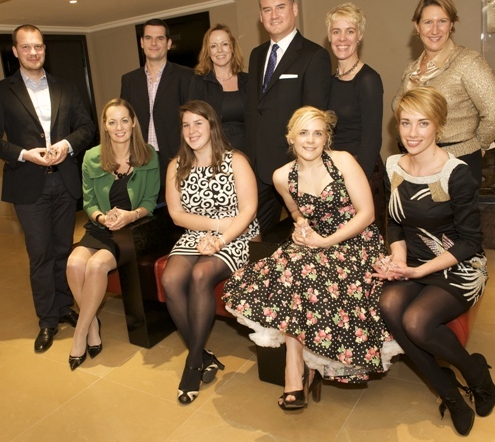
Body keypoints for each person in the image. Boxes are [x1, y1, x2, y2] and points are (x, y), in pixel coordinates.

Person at [223, 106, 399, 411]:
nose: (311, 140)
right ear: (290, 137)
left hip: (357, 242)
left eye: (318, 133)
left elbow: (367, 214)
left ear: (326, 137)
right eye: (303, 133)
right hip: (316, 244)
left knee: (302, 271)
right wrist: (302, 225)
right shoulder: (282, 176)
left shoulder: (342, 161)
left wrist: (325, 241)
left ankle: (296, 374)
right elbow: (295, 210)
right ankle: (299, 368)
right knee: (288, 270)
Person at [374, 87, 495, 436]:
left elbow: (471, 242)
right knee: (388, 305)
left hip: (459, 266)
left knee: (416, 322)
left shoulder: (456, 174)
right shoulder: (394, 166)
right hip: (413, 260)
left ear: (439, 126)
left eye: (423, 123)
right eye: (405, 123)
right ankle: (450, 394)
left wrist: (418, 270)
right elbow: (395, 222)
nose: (412, 133)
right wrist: (398, 260)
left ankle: (476, 375)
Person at [0, 24, 96, 353]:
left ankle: (64, 306)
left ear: (45, 49)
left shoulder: (66, 87)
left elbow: (86, 127)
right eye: (26, 47)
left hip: (64, 180)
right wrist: (23, 153)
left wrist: (66, 145)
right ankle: (47, 320)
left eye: (39, 46)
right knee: (40, 254)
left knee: (63, 250)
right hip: (28, 184)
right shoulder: (1, 91)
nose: (33, 52)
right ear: (15, 51)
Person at [161, 100, 260, 405]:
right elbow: (177, 215)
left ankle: (193, 364)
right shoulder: (176, 166)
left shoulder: (235, 160)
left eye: (198, 123)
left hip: (238, 233)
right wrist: (214, 227)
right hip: (198, 232)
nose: (192, 131)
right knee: (170, 279)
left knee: (201, 273)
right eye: (186, 125)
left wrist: (221, 239)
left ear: (212, 125)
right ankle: (203, 355)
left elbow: (248, 210)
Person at [66, 98, 159, 370]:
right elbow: (88, 202)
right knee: (73, 264)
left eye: (124, 120)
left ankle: (80, 333)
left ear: (133, 123)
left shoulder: (149, 155)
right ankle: (92, 325)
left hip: (131, 232)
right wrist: (101, 217)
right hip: (101, 227)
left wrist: (130, 215)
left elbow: (150, 202)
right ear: (105, 126)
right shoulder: (92, 157)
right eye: (112, 122)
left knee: (96, 266)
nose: (119, 127)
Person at [392, 0, 495, 185]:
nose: (435, 29)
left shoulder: (468, 62)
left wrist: (475, 146)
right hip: (417, 164)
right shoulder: (411, 70)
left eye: (442, 21)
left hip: (457, 164)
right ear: (417, 26)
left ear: (451, 25)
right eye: (428, 22)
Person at [248, 0, 331, 232]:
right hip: (258, 169)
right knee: (258, 241)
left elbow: (313, 119)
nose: (274, 15)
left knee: (309, 235)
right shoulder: (256, 55)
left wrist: (299, 164)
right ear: (261, 16)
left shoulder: (314, 55)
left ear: (294, 9)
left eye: (280, 7)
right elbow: (255, 109)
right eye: (267, 9)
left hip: (294, 166)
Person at [325, 2, 385, 234]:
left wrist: (353, 185)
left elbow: (372, 138)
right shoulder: (328, 82)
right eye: (336, 31)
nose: (342, 38)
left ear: (359, 36)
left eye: (349, 31)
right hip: (333, 173)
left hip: (362, 172)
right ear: (329, 36)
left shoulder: (368, 80)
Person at [120, 18, 193, 191]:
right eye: (148, 38)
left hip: (178, 158)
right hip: (140, 160)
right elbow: (124, 120)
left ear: (168, 44)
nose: (153, 43)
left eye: (160, 38)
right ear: (142, 43)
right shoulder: (129, 80)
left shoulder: (187, 76)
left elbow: (193, 119)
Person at [189, 23, 248, 153]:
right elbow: (193, 123)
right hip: (214, 153)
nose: (220, 50)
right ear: (208, 52)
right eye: (214, 46)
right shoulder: (199, 82)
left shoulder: (249, 81)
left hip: (249, 151)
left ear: (232, 47)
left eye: (224, 44)